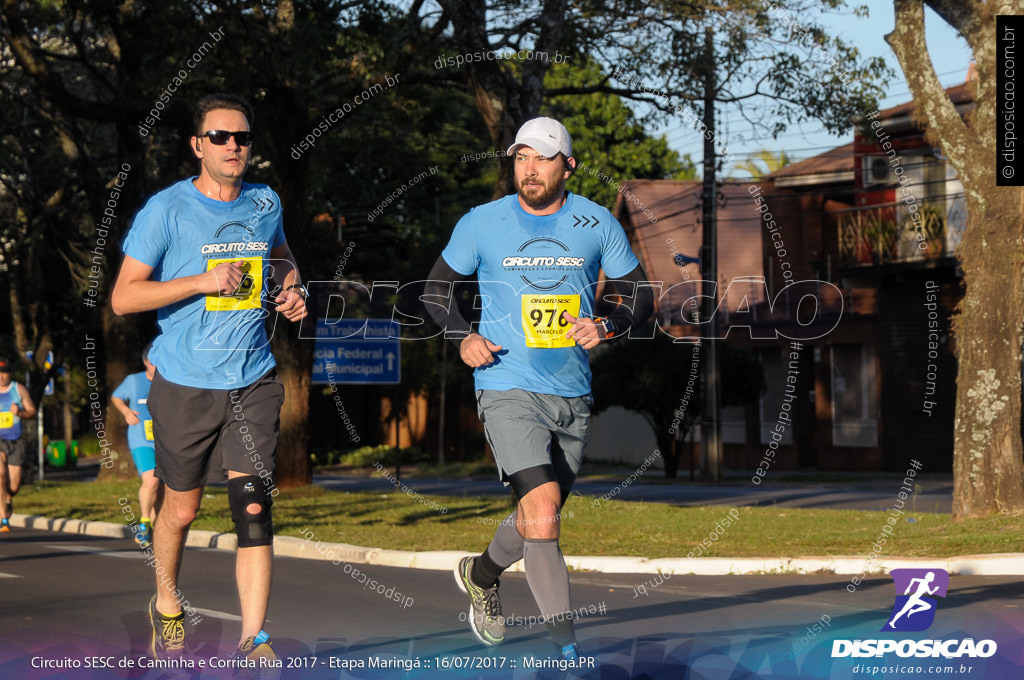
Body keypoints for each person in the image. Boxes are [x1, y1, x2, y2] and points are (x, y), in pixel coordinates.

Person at [425, 117, 654, 659]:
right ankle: (567, 653)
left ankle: (480, 575)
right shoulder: (482, 222)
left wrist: (606, 326)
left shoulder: (596, 223)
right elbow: (434, 292)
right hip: (505, 382)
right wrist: (463, 336)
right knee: (544, 509)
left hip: (571, 391)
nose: (529, 168)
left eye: (542, 157)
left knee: (536, 518)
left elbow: (641, 297)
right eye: (520, 157)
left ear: (567, 165)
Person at [111, 93, 308, 672]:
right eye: (219, 137)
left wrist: (292, 288)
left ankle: (254, 637)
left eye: (242, 138)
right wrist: (202, 280)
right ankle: (168, 602)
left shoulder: (265, 201)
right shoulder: (165, 210)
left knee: (252, 507)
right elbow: (124, 297)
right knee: (183, 509)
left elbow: (282, 256)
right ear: (197, 145)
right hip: (185, 382)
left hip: (253, 378)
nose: (232, 147)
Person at [111, 343, 162, 548]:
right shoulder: (133, 381)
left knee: (164, 488)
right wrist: (125, 412)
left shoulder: (170, 381)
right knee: (151, 481)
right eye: (153, 362)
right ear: (145, 361)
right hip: (141, 439)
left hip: (166, 441)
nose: (157, 366)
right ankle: (144, 522)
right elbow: (116, 397)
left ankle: (157, 530)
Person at [0, 358, 37, 533]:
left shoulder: (18, 389)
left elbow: (32, 411)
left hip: (15, 440)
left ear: (10, 374)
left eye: (4, 373)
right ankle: (3, 519)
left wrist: (20, 412)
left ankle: (8, 498)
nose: (0, 377)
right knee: (0, 478)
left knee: (13, 486)